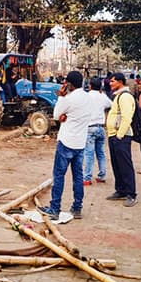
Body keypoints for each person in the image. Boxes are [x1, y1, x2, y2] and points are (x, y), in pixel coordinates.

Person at [38, 71, 92, 220]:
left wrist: (61, 97)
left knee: (59, 176)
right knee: (78, 176)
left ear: (69, 84)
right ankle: (77, 207)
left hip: (66, 142)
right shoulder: (88, 98)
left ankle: (55, 208)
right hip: (80, 143)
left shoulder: (68, 99)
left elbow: (56, 115)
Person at [105, 73, 138, 207]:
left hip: (121, 136)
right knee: (117, 165)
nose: (110, 84)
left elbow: (126, 117)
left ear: (120, 82)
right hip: (114, 135)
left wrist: (120, 135)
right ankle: (121, 190)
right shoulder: (118, 96)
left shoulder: (125, 97)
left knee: (125, 165)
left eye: (112, 81)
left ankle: (131, 194)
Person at [83, 77, 113, 185]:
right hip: (101, 127)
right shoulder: (102, 96)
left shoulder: (86, 96)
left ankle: (87, 178)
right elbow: (111, 105)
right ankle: (102, 175)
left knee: (89, 154)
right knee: (101, 153)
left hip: (90, 127)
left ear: (90, 85)